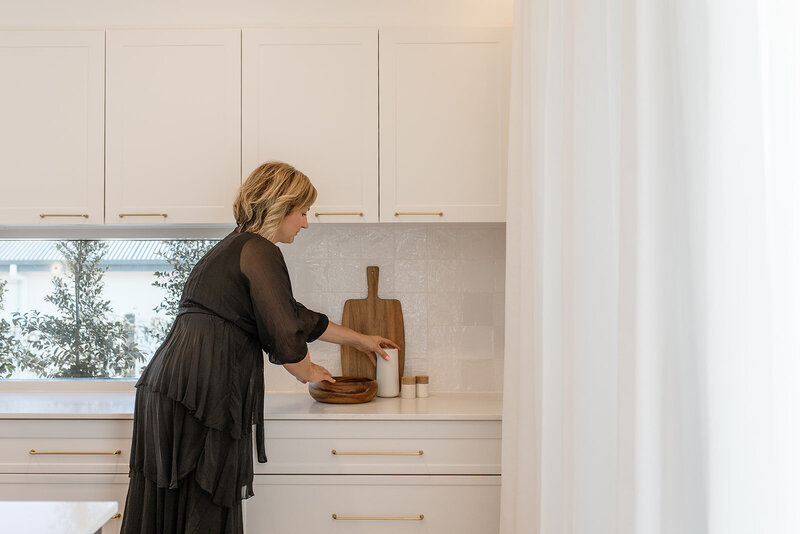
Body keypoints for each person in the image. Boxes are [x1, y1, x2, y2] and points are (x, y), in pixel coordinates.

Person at [120, 161, 398, 534]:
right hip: (201, 392)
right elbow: (285, 335)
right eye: (302, 212)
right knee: (204, 504)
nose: (305, 223)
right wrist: (307, 371)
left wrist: (359, 339)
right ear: (280, 206)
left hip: (173, 387)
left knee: (174, 509)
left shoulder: (235, 247)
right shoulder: (259, 250)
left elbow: (294, 316)